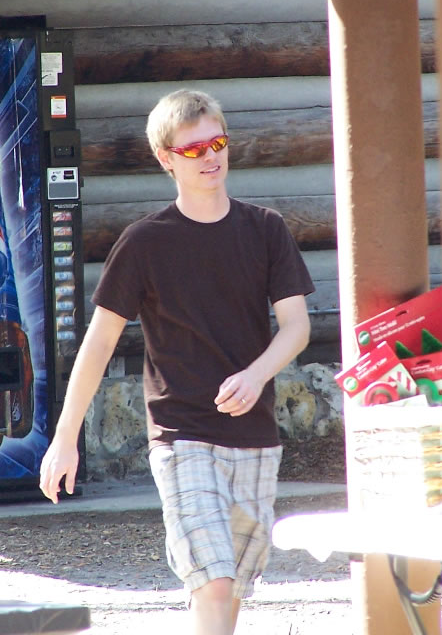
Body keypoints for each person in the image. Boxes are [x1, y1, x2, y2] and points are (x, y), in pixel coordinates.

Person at [39, 88, 314, 635]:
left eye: (217, 143)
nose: (210, 157)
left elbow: (297, 327)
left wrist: (257, 375)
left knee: (227, 590)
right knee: (213, 581)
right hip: (180, 435)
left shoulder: (266, 229)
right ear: (166, 159)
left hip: (256, 437)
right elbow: (99, 341)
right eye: (193, 149)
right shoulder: (144, 242)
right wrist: (65, 438)